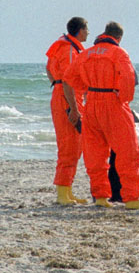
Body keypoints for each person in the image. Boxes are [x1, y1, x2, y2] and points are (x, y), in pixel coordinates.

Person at [62, 21, 139, 209]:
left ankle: (101, 197)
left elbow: (69, 78)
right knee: (129, 153)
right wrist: (124, 98)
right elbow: (128, 78)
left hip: (92, 103)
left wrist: (87, 88)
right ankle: (132, 199)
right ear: (118, 38)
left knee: (95, 153)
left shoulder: (86, 53)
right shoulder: (119, 53)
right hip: (113, 102)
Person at [45, 17, 90, 205]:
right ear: (80, 31)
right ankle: (63, 193)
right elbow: (68, 80)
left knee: (73, 145)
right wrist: (73, 107)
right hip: (67, 97)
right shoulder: (70, 50)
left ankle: (67, 191)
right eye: (87, 29)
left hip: (61, 95)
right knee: (69, 146)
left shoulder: (63, 46)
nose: (88, 33)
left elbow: (49, 68)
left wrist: (55, 84)